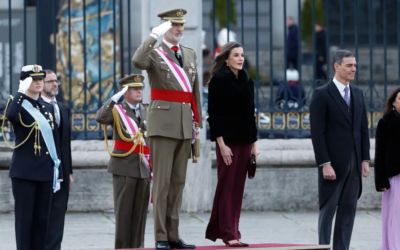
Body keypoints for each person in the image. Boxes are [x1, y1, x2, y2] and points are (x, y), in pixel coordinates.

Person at [132, 8, 202, 250]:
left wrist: (198, 121)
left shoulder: (190, 54)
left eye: (182, 25)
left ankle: (173, 235)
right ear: (164, 28)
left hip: (184, 125)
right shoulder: (154, 53)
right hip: (162, 126)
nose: (180, 29)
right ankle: (161, 236)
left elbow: (194, 91)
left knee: (177, 183)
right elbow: (137, 61)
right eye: (174, 25)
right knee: (161, 185)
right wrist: (154, 35)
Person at [309, 50, 370, 250]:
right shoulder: (321, 94)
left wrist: (365, 160)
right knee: (327, 212)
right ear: (337, 66)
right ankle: (323, 248)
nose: (354, 69)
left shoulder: (359, 93)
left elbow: (362, 130)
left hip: (354, 163)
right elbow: (317, 133)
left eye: (354, 65)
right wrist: (325, 164)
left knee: (347, 213)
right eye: (349, 65)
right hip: (332, 164)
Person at [2, 64, 63, 250]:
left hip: (44, 172)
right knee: (24, 221)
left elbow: (54, 141)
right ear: (25, 81)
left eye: (40, 79)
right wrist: (21, 91)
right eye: (33, 79)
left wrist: (57, 170)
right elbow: (11, 116)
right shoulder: (17, 104)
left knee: (42, 222)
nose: (38, 82)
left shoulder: (46, 107)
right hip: (25, 173)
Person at [205, 42, 259, 247]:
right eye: (236, 55)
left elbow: (250, 114)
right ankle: (228, 234)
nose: (240, 58)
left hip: (245, 142)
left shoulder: (247, 80)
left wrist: (254, 143)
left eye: (242, 55)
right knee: (226, 187)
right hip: (227, 143)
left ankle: (234, 231)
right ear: (226, 58)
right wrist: (221, 144)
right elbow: (214, 116)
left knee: (237, 188)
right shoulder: (219, 80)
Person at [96, 74, 151, 249]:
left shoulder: (147, 109)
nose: (139, 91)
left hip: (143, 167)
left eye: (140, 88)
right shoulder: (117, 109)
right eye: (134, 88)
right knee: (124, 213)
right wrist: (114, 98)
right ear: (125, 92)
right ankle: (122, 247)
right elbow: (100, 118)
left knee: (140, 214)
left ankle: (137, 246)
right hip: (124, 166)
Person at [41, 69, 73, 250]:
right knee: (43, 214)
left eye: (56, 81)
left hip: (61, 172)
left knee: (59, 214)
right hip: (44, 171)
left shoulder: (63, 108)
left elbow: (65, 145)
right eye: (50, 81)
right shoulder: (36, 108)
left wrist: (69, 172)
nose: (55, 84)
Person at [374, 86, 400, 250]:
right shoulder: (385, 123)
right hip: (395, 175)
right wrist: (380, 180)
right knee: (395, 215)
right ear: (394, 103)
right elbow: (380, 153)